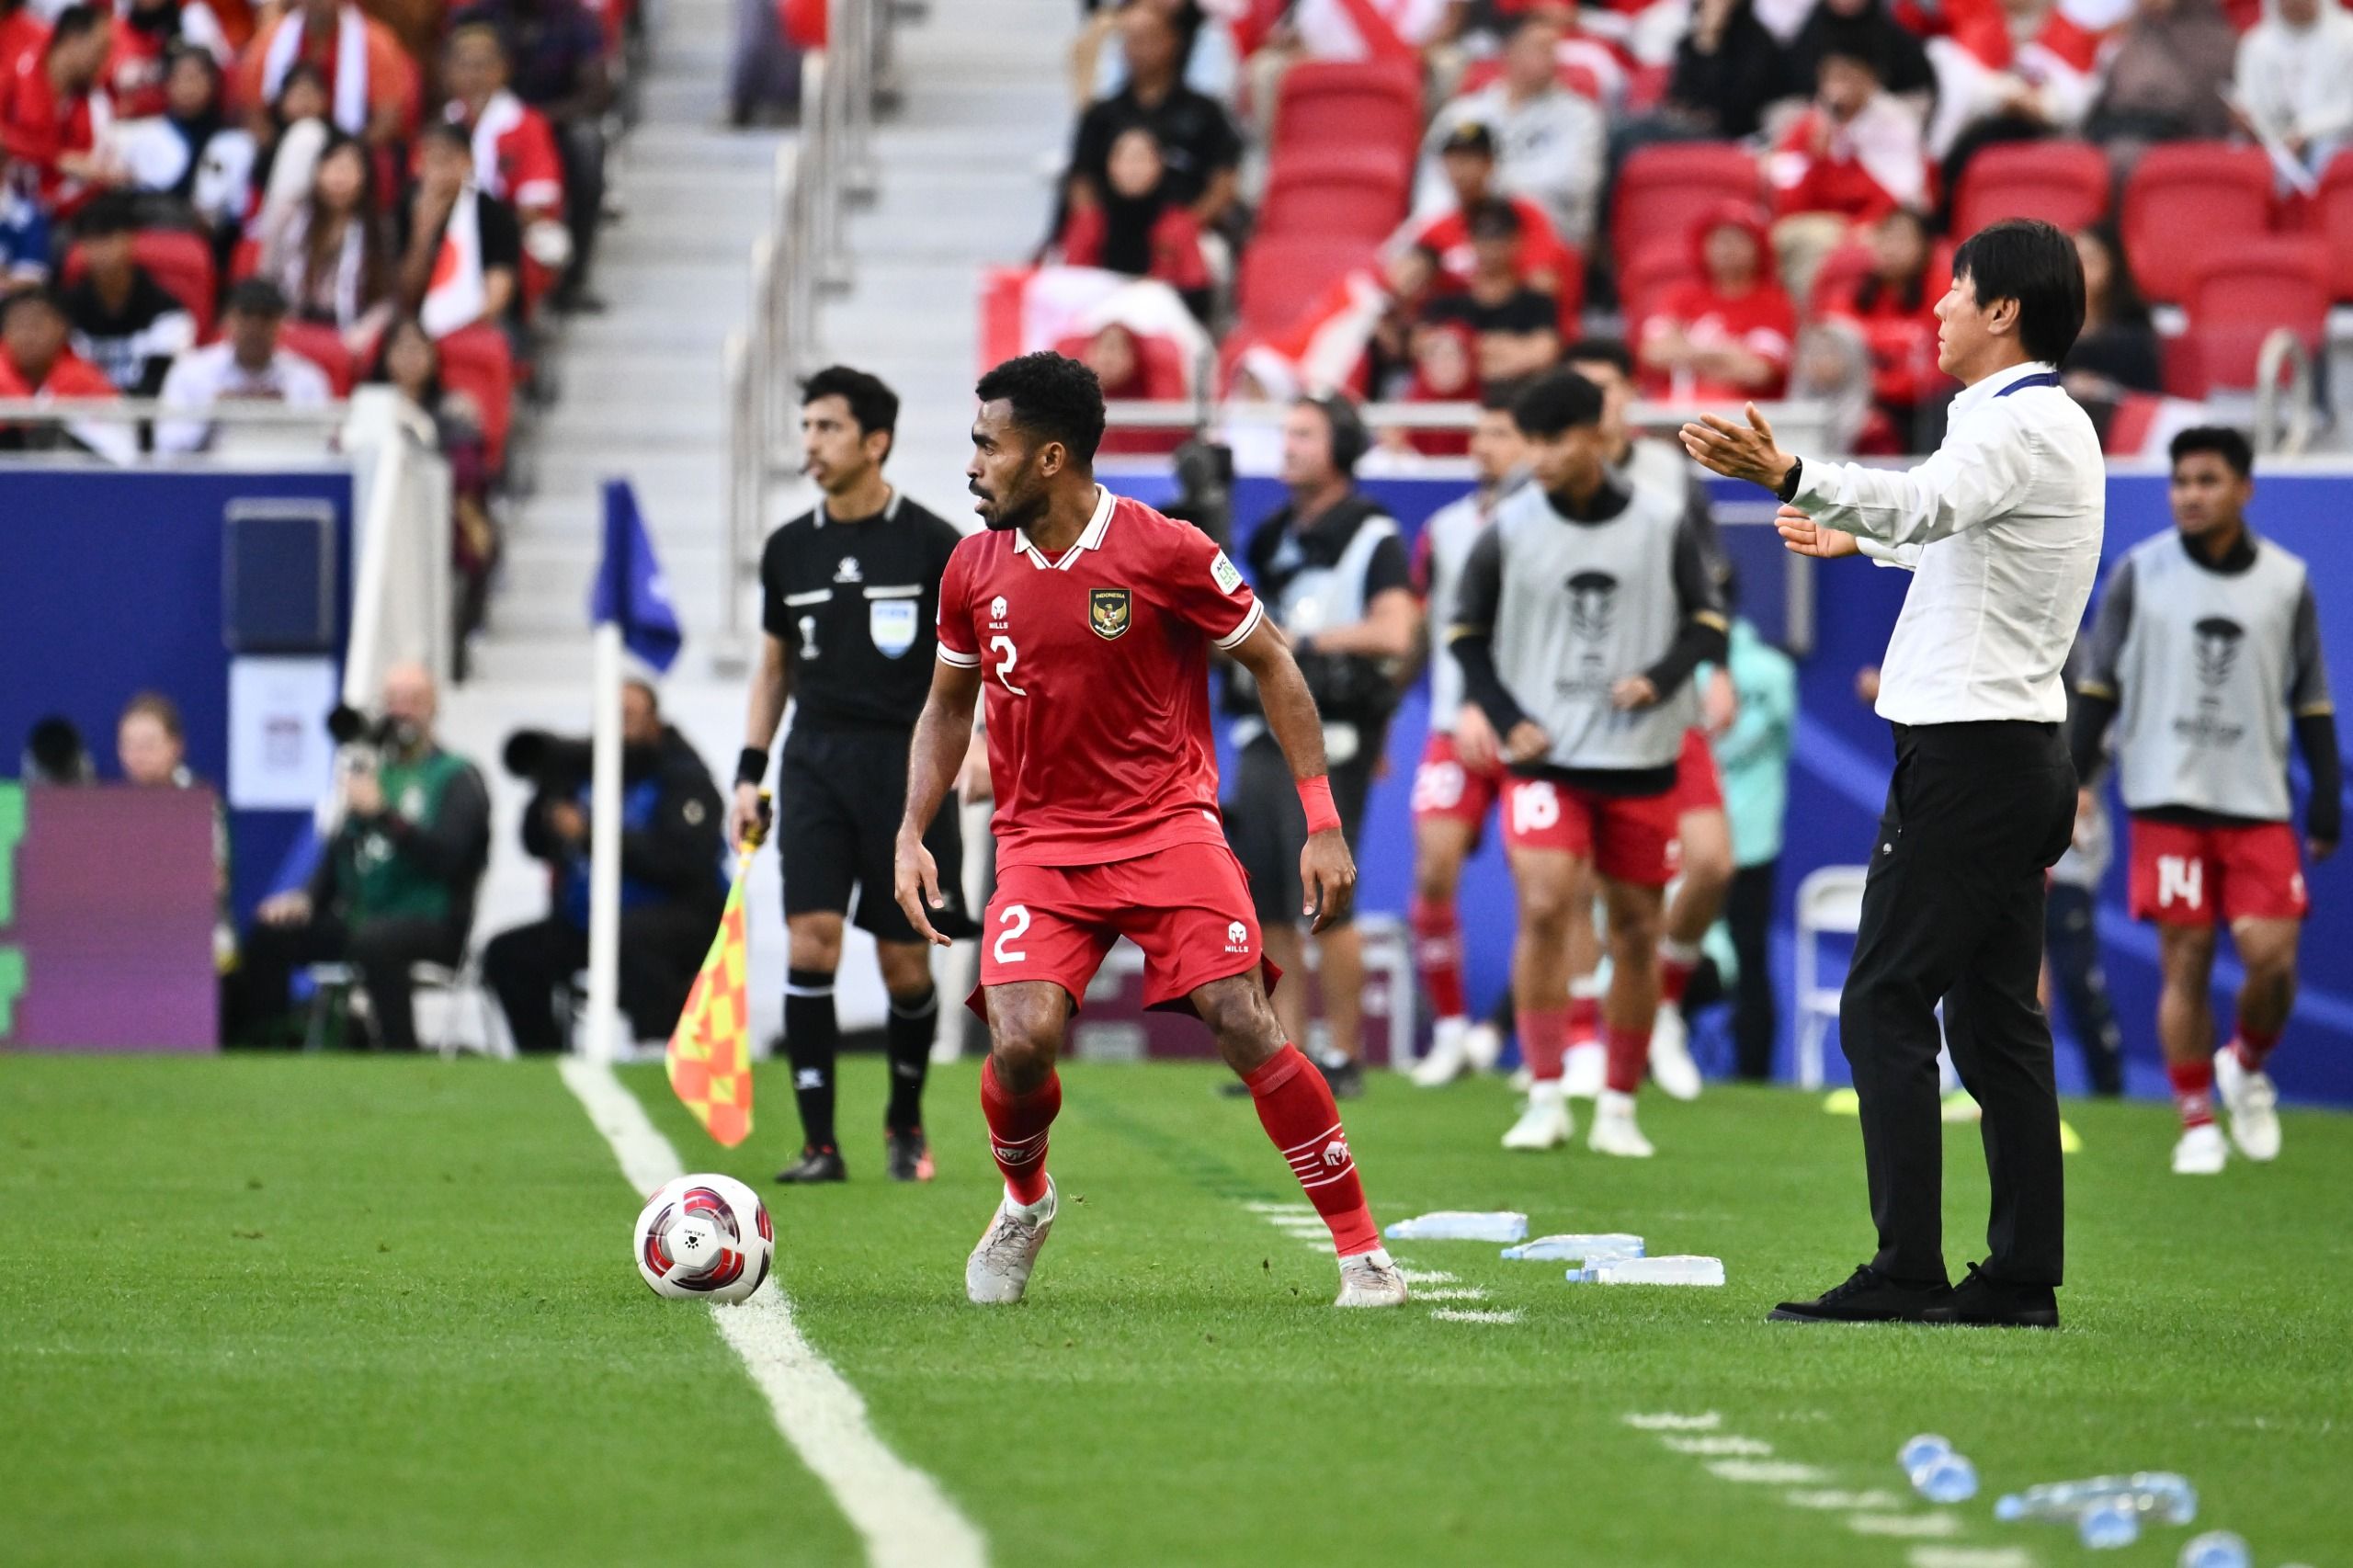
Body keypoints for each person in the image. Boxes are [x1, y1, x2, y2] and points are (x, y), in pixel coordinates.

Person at [893, 350, 1407, 1310]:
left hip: (1168, 828)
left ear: (1049, 457)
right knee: (1018, 1042)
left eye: (985, 444)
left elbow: (1275, 664)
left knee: (1242, 1019)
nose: (970, 464)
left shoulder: (1164, 549)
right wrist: (911, 829)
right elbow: (945, 707)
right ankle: (1025, 1202)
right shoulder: (970, 566)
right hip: (1041, 843)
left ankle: (1362, 1251)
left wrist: (1322, 821)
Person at [1681, 217, 2102, 1329]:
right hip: (2012, 757)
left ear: (2004, 309)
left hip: (1968, 762)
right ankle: (2018, 1277)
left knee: (1882, 1001)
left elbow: (1927, 504)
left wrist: (1790, 471)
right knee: (1994, 1021)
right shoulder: (2041, 426)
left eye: (1956, 289)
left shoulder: (2012, 425)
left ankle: (1910, 1265)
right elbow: (1951, 531)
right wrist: (1850, 533)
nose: (1938, 307)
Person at [1450, 369, 1729, 1157]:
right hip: (1547, 758)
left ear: (1597, 437)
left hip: (1640, 757)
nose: (1537, 456)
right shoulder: (1507, 526)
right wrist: (1509, 720)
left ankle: (1616, 1104)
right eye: (1530, 440)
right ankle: (1544, 1092)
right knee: (1544, 906)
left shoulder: (1663, 521)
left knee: (1637, 928)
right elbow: (1465, 636)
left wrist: (1659, 681)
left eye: (1554, 438)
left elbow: (1709, 623)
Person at [2071, 426, 2341, 1175]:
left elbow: (2312, 697)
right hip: (2166, 797)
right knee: (2184, 964)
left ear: (2245, 489)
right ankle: (2196, 1121)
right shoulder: (2138, 572)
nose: (2191, 494)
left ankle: (2246, 1065)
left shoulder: (2287, 581)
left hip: (2257, 803)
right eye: (2181, 481)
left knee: (2273, 964)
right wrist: (2073, 780)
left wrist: (2325, 796)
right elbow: (2098, 686)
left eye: (2208, 481)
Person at [737, 366, 971, 1185]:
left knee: (905, 964)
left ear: (876, 442)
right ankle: (818, 1144)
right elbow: (772, 673)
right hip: (815, 766)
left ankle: (905, 1123)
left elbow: (971, 670)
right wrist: (749, 774)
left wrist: (974, 754)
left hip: (909, 773)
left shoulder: (937, 544)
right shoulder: (787, 549)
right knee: (813, 940)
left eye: (828, 428)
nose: (811, 444)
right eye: (806, 428)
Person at [1222, 393, 1416, 1098]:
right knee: (1267, 899)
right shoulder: (1274, 534)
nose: (1289, 446)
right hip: (1261, 731)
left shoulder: (1373, 533)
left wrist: (1301, 645)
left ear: (1341, 447)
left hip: (1334, 734)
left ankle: (1343, 1053)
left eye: (1304, 434)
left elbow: (1397, 631)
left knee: (1328, 898)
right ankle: (1284, 1054)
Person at [1566, 336, 1733, 1102]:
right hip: (1573, 713)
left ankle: (1662, 1004)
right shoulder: (1549, 479)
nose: (1597, 403)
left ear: (1631, 394)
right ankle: (1575, 1042)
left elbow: (1711, 581)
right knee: (1574, 880)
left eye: (1608, 387)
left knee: (1710, 862)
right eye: (1582, 389)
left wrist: (1717, 667)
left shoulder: (1670, 474)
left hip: (1667, 700)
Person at [235, 663, 490, 1051]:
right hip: (364, 919)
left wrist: (384, 815)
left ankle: (400, 1053)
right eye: (394, 701)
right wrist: (306, 898)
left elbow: (448, 859)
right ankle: (267, 1048)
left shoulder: (457, 777)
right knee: (273, 931)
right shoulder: (374, 772)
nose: (401, 711)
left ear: (433, 707)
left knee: (376, 942)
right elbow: (342, 852)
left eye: (413, 701)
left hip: (433, 923)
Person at [483, 681, 725, 1054]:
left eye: (628, 717)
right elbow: (533, 845)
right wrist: (548, 788)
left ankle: (657, 1049)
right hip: (588, 920)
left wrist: (589, 834)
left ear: (654, 723)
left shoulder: (683, 775)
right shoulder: (582, 769)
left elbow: (681, 860)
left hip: (676, 916)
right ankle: (544, 1058)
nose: (616, 727)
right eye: (609, 717)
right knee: (508, 954)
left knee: (633, 938)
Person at [1405, 386, 1524, 1087]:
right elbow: (1427, 627)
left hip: (1535, 729)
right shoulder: (1444, 528)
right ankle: (1451, 1030)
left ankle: (1555, 1041)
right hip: (1455, 725)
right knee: (1432, 870)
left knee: (1549, 888)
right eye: (1479, 433)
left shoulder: (1549, 523)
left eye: (1501, 432)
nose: (1484, 446)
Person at [1419, 14, 1607, 247]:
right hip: (1458, 237)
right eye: (1540, 47)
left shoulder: (1579, 115)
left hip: (1542, 241)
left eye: (1553, 49)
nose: (1553, 58)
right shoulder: (1463, 112)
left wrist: (1484, 183)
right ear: (1509, 52)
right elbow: (1432, 187)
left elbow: (1571, 184)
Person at [1711, 584, 1797, 1081]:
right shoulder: (1776, 670)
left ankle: (1651, 1060)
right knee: (1751, 957)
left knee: (1662, 946)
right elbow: (1784, 744)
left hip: (1692, 839)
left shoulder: (1688, 673)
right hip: (1754, 836)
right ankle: (1754, 1077)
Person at [1066, 0, 1243, 234]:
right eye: (1131, 41)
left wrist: (1187, 225)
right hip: (1114, 236)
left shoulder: (1205, 113)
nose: (1138, 50)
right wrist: (1095, 226)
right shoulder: (1100, 116)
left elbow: (1223, 182)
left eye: (1147, 39)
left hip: (1185, 233)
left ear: (1173, 42)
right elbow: (1082, 181)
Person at [2046, 637, 2127, 1096]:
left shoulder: (2084, 654)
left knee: (2077, 975)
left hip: (2073, 846)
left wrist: (2077, 790)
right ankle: (2018, 1088)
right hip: (2018, 836)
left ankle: (2109, 1087)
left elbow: (2102, 731)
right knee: (2016, 973)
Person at [1385, 120, 1575, 309]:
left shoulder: (1524, 215)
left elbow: (1542, 285)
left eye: (1469, 159)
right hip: (1459, 329)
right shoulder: (1436, 229)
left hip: (1519, 327)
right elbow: (1402, 285)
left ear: (1490, 164)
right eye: (1453, 160)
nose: (1460, 170)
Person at [116, 690, 233, 979]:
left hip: (199, 936)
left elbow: (214, 883)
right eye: (128, 745)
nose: (137, 756)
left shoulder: (201, 803)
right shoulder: (115, 811)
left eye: (147, 745)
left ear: (176, 747)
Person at [153, 278, 333, 454]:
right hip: (209, 479)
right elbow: (168, 447)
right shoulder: (190, 373)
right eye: (246, 315)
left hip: (282, 477)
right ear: (227, 320)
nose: (255, 327)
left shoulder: (306, 379)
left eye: (266, 317)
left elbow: (324, 451)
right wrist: (213, 415)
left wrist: (282, 418)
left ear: (281, 324)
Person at [1639, 204, 1797, 403]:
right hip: (1672, 412)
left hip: (1742, 418)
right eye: (1719, 240)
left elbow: (1757, 372)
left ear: (1758, 247)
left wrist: (1685, 356)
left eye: (1737, 240)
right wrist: (1725, 354)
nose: (1727, 249)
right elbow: (1654, 353)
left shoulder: (1775, 303)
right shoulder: (1681, 296)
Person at [256, 131, 393, 355]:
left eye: (349, 168)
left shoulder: (378, 226)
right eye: (333, 166)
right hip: (293, 317)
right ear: (317, 171)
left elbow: (386, 300)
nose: (340, 177)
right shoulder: (290, 214)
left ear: (365, 176)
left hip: (348, 325)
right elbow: (266, 276)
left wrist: (362, 334)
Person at [1052, 126, 1211, 312]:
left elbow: (1197, 292)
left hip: (1159, 321)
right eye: (1125, 159)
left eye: (1141, 159)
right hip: (1098, 318)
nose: (1133, 169)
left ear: (1159, 165)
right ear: (1110, 166)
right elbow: (1069, 286)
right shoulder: (1089, 221)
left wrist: (1150, 294)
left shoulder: (1178, 223)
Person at [1415, 199, 1562, 395]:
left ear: (1517, 240)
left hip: (1517, 398)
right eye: (1482, 236)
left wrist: (1464, 349)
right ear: (1470, 240)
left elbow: (1542, 354)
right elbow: (1421, 348)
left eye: (1499, 235)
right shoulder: (1447, 300)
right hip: (1451, 403)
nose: (1491, 246)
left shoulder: (1537, 302)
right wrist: (1510, 346)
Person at [393, 120, 522, 340]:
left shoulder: (494, 214)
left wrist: (449, 329)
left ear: (469, 161)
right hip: (418, 319)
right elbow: (404, 294)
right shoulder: (407, 206)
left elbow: (496, 297)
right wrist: (422, 234)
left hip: (476, 320)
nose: (438, 171)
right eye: (430, 160)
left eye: (448, 160)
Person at [62, 193, 197, 395]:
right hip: (84, 415)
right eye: (91, 242)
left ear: (130, 240)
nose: (101, 252)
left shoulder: (168, 311)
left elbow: (161, 381)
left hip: (147, 416)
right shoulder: (65, 311)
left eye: (108, 239)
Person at [231, 0, 417, 145]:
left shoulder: (374, 42)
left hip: (354, 151)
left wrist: (346, 155)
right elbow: (252, 110)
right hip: (282, 144)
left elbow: (388, 116)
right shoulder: (271, 39)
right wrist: (280, 152)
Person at [1, 5, 122, 220]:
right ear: (72, 40)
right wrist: (57, 159)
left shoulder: (94, 102)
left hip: (53, 216)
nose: (105, 63)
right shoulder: (17, 70)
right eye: (100, 51)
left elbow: (87, 169)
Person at [2085, 0, 2238, 160]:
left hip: (2186, 153)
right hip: (2119, 139)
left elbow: (2212, 117)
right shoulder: (2131, 43)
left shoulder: (2220, 46)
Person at [0, 283, 128, 460]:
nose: (27, 335)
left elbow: (119, 456)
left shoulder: (91, 385)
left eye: (36, 325)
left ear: (62, 327)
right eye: (18, 325)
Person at [2234, 0, 2353, 183]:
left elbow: (2348, 109)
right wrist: (2246, 119)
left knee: (2328, 156)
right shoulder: (2256, 44)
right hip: (2277, 145)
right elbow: (2251, 103)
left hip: (2335, 141)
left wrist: (2305, 132)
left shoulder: (2347, 36)